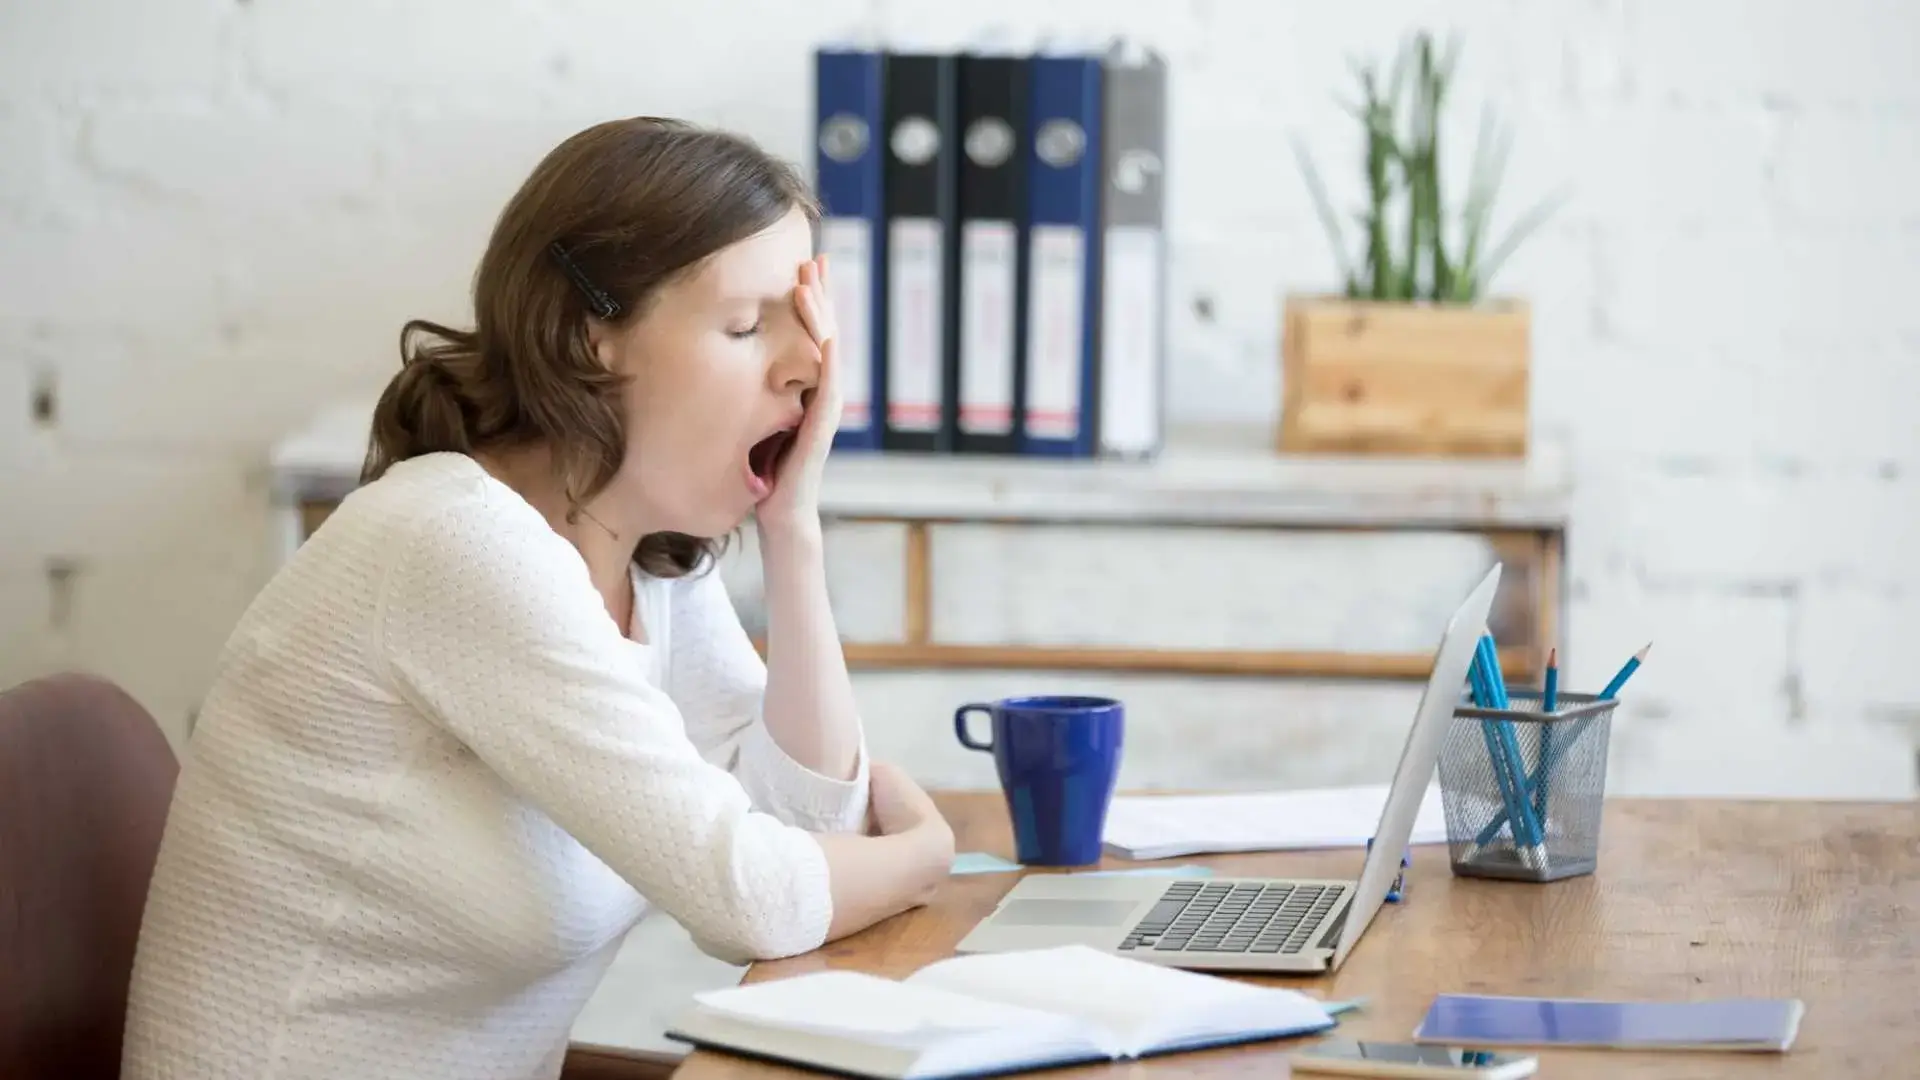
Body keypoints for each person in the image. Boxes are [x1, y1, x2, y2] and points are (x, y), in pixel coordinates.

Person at [120, 116, 957, 1080]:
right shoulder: (460, 545)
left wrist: (792, 532)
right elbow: (756, 899)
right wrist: (925, 854)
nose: (808, 370)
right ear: (584, 334)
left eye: (804, 324)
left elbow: (807, 840)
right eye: (744, 325)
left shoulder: (646, 559)